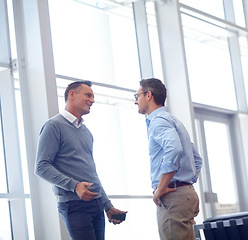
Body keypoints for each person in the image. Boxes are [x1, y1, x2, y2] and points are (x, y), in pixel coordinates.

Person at [35, 81, 126, 240]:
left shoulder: (86, 132)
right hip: (74, 205)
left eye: (93, 96)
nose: (92, 100)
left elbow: (91, 172)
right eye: (88, 95)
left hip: (96, 204)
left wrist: (107, 205)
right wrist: (75, 185)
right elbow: (41, 167)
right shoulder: (53, 126)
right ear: (71, 94)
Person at [134, 78, 203, 240]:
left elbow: (174, 149)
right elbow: (196, 159)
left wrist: (162, 187)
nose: (135, 101)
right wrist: (187, 183)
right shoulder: (172, 120)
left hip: (173, 195)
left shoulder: (158, 122)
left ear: (148, 95)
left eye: (137, 96)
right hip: (185, 193)